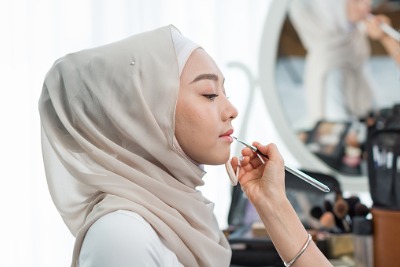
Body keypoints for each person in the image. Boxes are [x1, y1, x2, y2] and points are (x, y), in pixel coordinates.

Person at [39, 25, 332, 267]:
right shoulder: (121, 236)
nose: (231, 110)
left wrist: (274, 204)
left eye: (224, 92)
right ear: (147, 113)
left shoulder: (188, 217)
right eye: (209, 94)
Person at [288, 0, 400, 126]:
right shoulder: (331, 67)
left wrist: (386, 37)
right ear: (332, 8)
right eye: (357, 1)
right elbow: (336, 125)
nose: (367, 4)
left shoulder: (355, 42)